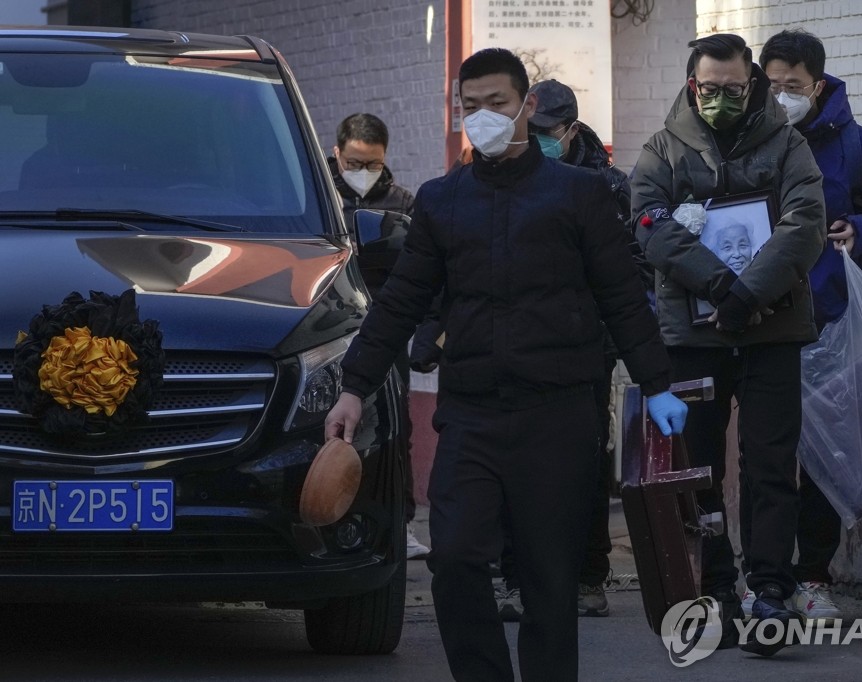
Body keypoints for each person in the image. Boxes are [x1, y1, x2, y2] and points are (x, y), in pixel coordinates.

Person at [324, 48, 687, 682]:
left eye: (496, 103)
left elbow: (621, 295)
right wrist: (354, 386)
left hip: (560, 414)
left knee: (550, 578)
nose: (483, 117)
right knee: (457, 558)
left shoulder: (579, 194)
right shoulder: (442, 200)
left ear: (524, 104)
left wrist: (656, 384)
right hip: (471, 415)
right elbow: (403, 299)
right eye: (470, 107)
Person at [631, 33, 825, 657]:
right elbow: (649, 228)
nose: (720, 99)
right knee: (701, 471)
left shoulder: (789, 144)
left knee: (772, 467)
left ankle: (771, 590)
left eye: (733, 90)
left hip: (773, 331)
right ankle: (715, 590)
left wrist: (747, 296)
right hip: (695, 337)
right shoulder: (661, 150)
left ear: (754, 85)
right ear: (693, 85)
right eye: (709, 90)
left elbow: (805, 225)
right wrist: (721, 286)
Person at [753, 28, 862, 621]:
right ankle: (763, 582)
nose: (782, 95)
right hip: (761, 322)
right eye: (772, 85)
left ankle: (813, 575)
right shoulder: (749, 142)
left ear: (818, 84)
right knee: (765, 457)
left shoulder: (855, 144)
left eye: (793, 86)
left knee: (821, 459)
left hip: (830, 321)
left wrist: (860, 231)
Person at [491, 78, 637, 622]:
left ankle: (587, 577)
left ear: (570, 129)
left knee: (585, 462)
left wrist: (616, 340)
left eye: (548, 132)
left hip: (587, 349)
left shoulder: (608, 185)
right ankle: (517, 579)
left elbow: (630, 271)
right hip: (520, 343)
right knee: (516, 460)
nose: (538, 141)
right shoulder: (508, 174)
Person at [327, 113, 429, 559]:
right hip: (330, 324)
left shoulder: (402, 202)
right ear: (337, 153)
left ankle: (399, 522)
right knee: (332, 423)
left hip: (386, 325)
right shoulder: (320, 195)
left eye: (372, 164)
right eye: (354, 162)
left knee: (394, 423)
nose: (363, 173)